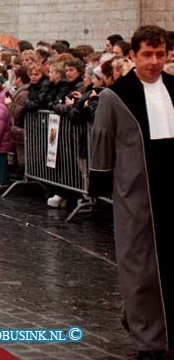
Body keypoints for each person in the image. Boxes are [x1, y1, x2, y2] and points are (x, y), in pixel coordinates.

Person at [90, 25, 173, 358]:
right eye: (147, 55)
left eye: (160, 54)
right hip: (136, 191)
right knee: (138, 265)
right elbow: (101, 141)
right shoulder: (115, 96)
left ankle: (153, 324)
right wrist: (99, 188)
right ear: (132, 55)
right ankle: (148, 341)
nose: (154, 61)